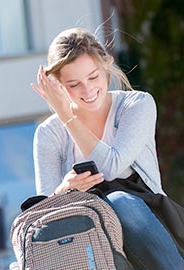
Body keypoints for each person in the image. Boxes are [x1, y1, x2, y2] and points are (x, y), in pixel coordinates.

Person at [31, 27, 184, 270]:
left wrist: (68, 118)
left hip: (149, 227)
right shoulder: (49, 134)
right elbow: (45, 216)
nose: (88, 90)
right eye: (74, 84)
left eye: (93, 77)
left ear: (106, 66)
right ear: (58, 85)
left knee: (120, 201)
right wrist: (65, 189)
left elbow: (110, 168)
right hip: (90, 239)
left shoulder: (137, 105)